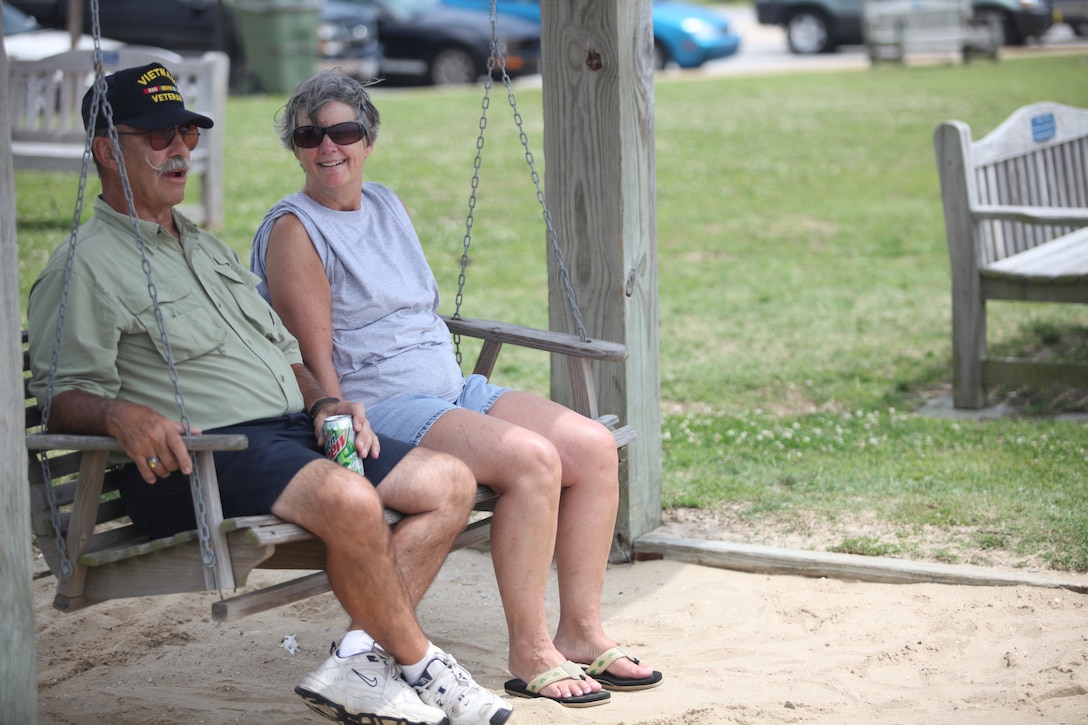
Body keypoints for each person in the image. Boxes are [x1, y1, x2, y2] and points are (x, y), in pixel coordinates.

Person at [26, 62, 513, 725]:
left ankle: (356, 660)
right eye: (159, 138)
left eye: (187, 137)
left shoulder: (204, 247)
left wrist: (324, 403)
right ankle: (426, 664)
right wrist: (121, 413)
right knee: (349, 496)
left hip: (285, 433)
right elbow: (61, 396)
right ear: (109, 150)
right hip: (195, 459)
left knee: (449, 482)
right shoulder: (84, 264)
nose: (180, 152)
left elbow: (285, 352)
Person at [250, 69, 663, 708]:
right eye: (309, 136)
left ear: (368, 138)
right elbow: (310, 357)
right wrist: (338, 436)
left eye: (343, 131)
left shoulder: (386, 203)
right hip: (383, 406)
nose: (327, 147)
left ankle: (580, 631)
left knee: (590, 445)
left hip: (449, 386)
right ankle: (530, 651)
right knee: (532, 460)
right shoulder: (294, 231)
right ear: (295, 146)